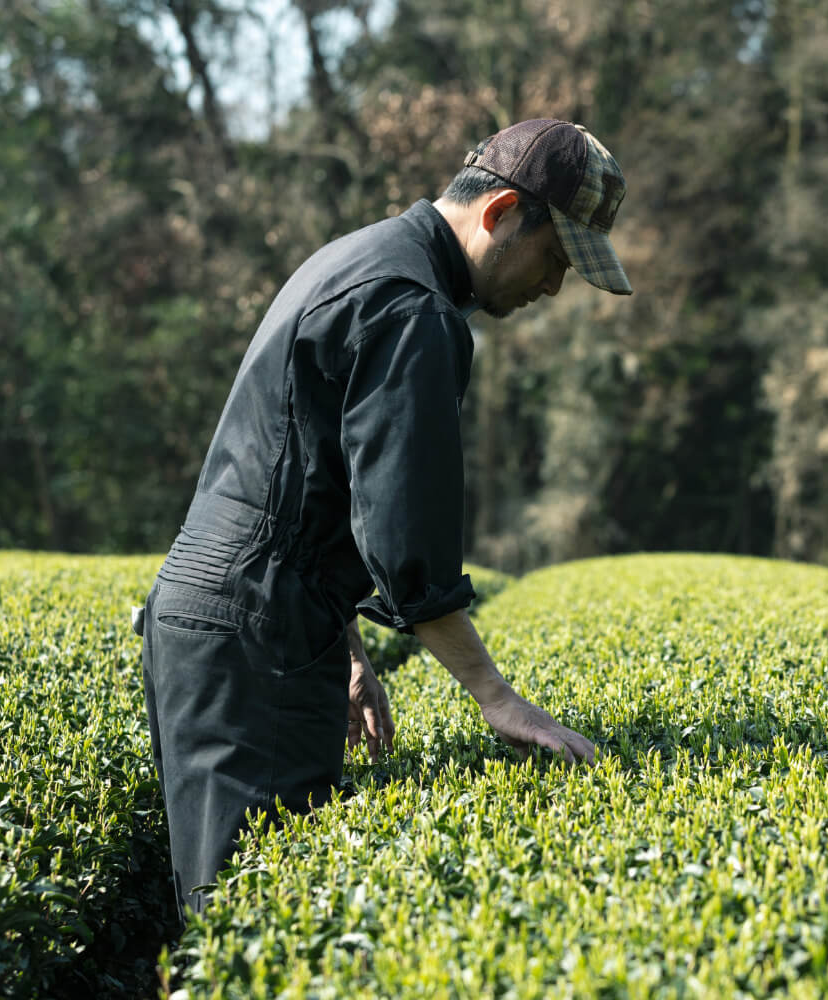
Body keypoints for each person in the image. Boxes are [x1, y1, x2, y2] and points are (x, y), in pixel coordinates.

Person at [136, 119, 632, 919]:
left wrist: (349, 644)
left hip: (229, 615)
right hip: (256, 632)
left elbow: (304, 483)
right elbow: (405, 535)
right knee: (256, 924)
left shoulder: (357, 258)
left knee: (226, 908)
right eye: (556, 258)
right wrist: (495, 696)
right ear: (502, 212)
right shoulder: (415, 311)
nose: (553, 288)